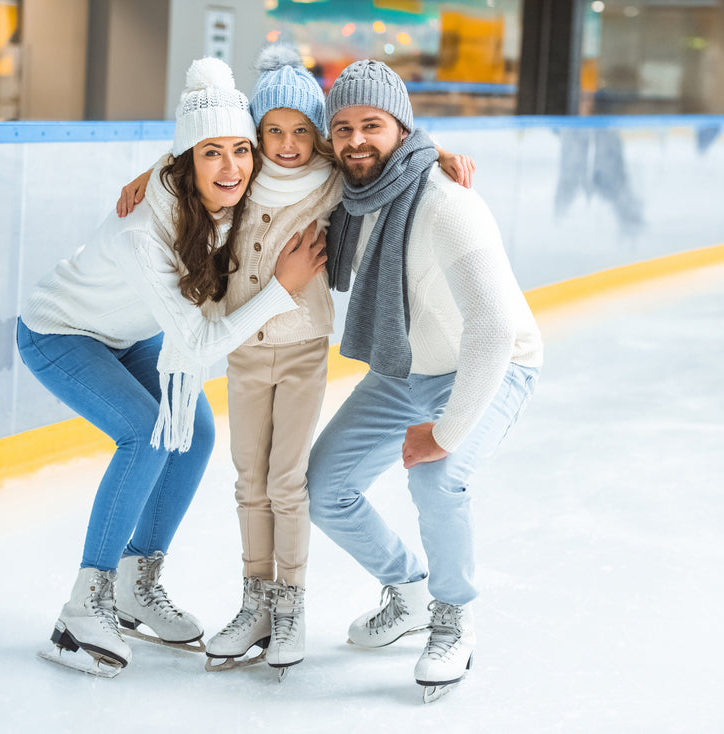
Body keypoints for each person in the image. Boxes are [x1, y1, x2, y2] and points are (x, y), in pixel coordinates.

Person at [116, 46, 475, 677]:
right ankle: (255, 601)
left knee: (288, 481)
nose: (286, 145)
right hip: (243, 351)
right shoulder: (244, 175)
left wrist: (437, 149)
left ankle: (290, 610)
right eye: (272, 132)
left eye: (300, 132)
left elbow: (387, 143)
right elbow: (204, 152)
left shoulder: (334, 179)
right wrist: (155, 173)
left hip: (304, 350)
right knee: (248, 480)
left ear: (318, 137)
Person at [16, 57, 326, 676]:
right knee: (145, 433)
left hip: (132, 335)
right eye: (213, 153)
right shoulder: (144, 230)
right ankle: (85, 603)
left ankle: (136, 579)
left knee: (195, 435)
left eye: (242, 149)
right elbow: (203, 341)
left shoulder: (222, 185)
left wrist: (434, 157)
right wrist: (282, 289)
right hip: (62, 331)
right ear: (188, 161)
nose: (234, 167)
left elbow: (332, 159)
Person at [306, 59, 543, 700]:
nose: (357, 140)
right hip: (405, 366)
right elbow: (262, 164)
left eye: (372, 125)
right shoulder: (347, 193)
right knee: (324, 488)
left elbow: (493, 329)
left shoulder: (446, 201)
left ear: (403, 127)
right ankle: (408, 590)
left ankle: (451, 613)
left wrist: (445, 433)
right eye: (344, 127)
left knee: (438, 477)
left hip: (491, 363)